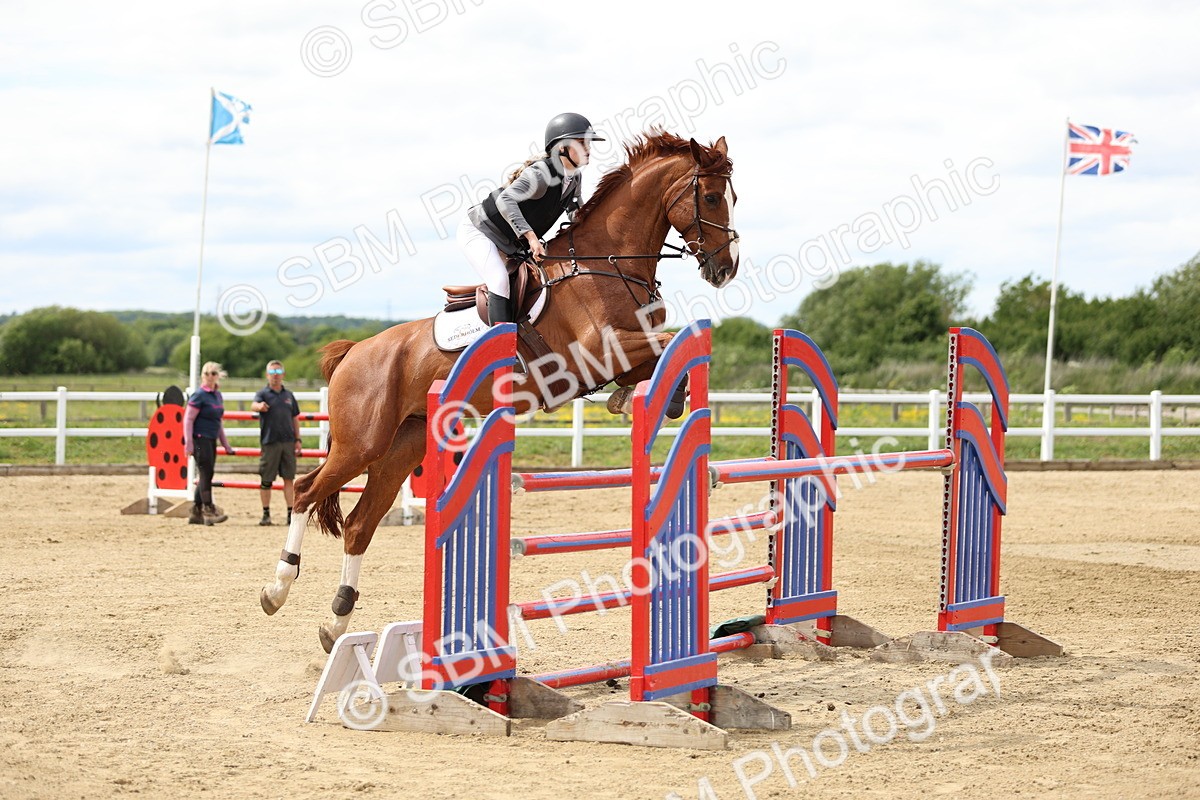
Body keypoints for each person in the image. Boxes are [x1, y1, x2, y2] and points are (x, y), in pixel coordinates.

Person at [458, 112, 605, 325]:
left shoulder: (574, 178)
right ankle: (498, 348)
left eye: (588, 144)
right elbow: (505, 201)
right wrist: (532, 238)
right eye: (582, 143)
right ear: (561, 148)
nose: (589, 149)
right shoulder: (541, 174)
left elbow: (576, 215)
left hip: (511, 243)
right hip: (480, 231)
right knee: (499, 282)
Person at [250, 359, 302, 526]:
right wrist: (259, 407)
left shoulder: (289, 396)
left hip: (288, 442)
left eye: (278, 372)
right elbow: (253, 405)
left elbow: (295, 418)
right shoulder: (263, 394)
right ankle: (266, 514)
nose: (275, 376)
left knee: (289, 479)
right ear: (267, 375)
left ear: (283, 375)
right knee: (266, 479)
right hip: (270, 442)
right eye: (272, 373)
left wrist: (298, 439)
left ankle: (290, 514)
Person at [184, 361, 233, 525]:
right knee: (205, 473)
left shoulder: (217, 395)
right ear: (202, 376)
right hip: (199, 437)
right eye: (207, 373)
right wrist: (188, 443)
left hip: (211, 438)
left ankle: (196, 511)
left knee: (207, 473)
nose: (210, 376)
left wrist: (225, 444)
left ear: (217, 376)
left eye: (213, 373)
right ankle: (208, 508)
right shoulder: (199, 395)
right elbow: (188, 420)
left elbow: (218, 421)